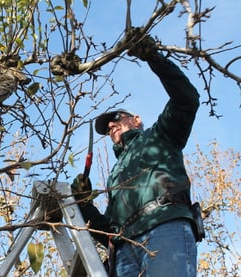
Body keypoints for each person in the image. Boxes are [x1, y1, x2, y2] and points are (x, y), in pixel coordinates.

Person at [71, 31, 202, 277]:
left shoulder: (160, 136)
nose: (111, 126)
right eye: (107, 128)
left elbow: (186, 99)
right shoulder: (115, 175)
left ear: (137, 120)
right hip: (123, 249)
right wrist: (83, 203)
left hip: (164, 225)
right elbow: (107, 229)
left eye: (116, 119)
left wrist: (154, 58)